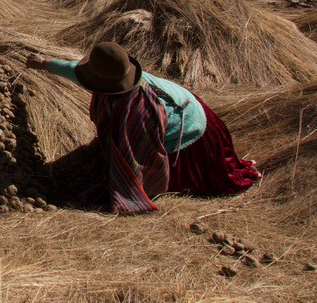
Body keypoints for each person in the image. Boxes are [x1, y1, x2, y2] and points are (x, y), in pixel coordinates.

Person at [26, 42, 259, 214]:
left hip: (191, 137)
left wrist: (125, 185)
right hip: (194, 111)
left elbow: (141, 158)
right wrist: (45, 64)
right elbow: (76, 71)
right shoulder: (119, 77)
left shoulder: (140, 112)